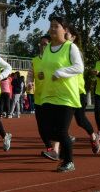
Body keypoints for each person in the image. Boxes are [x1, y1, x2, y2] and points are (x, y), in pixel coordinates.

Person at [34, 15, 85, 172]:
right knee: (47, 131)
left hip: (66, 96)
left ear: (65, 30)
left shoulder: (70, 47)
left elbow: (79, 67)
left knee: (61, 131)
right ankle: (67, 140)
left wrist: (61, 72)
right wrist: (41, 73)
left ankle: (68, 162)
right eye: (51, 26)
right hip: (48, 95)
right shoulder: (48, 48)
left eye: (56, 26)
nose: (53, 29)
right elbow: (44, 66)